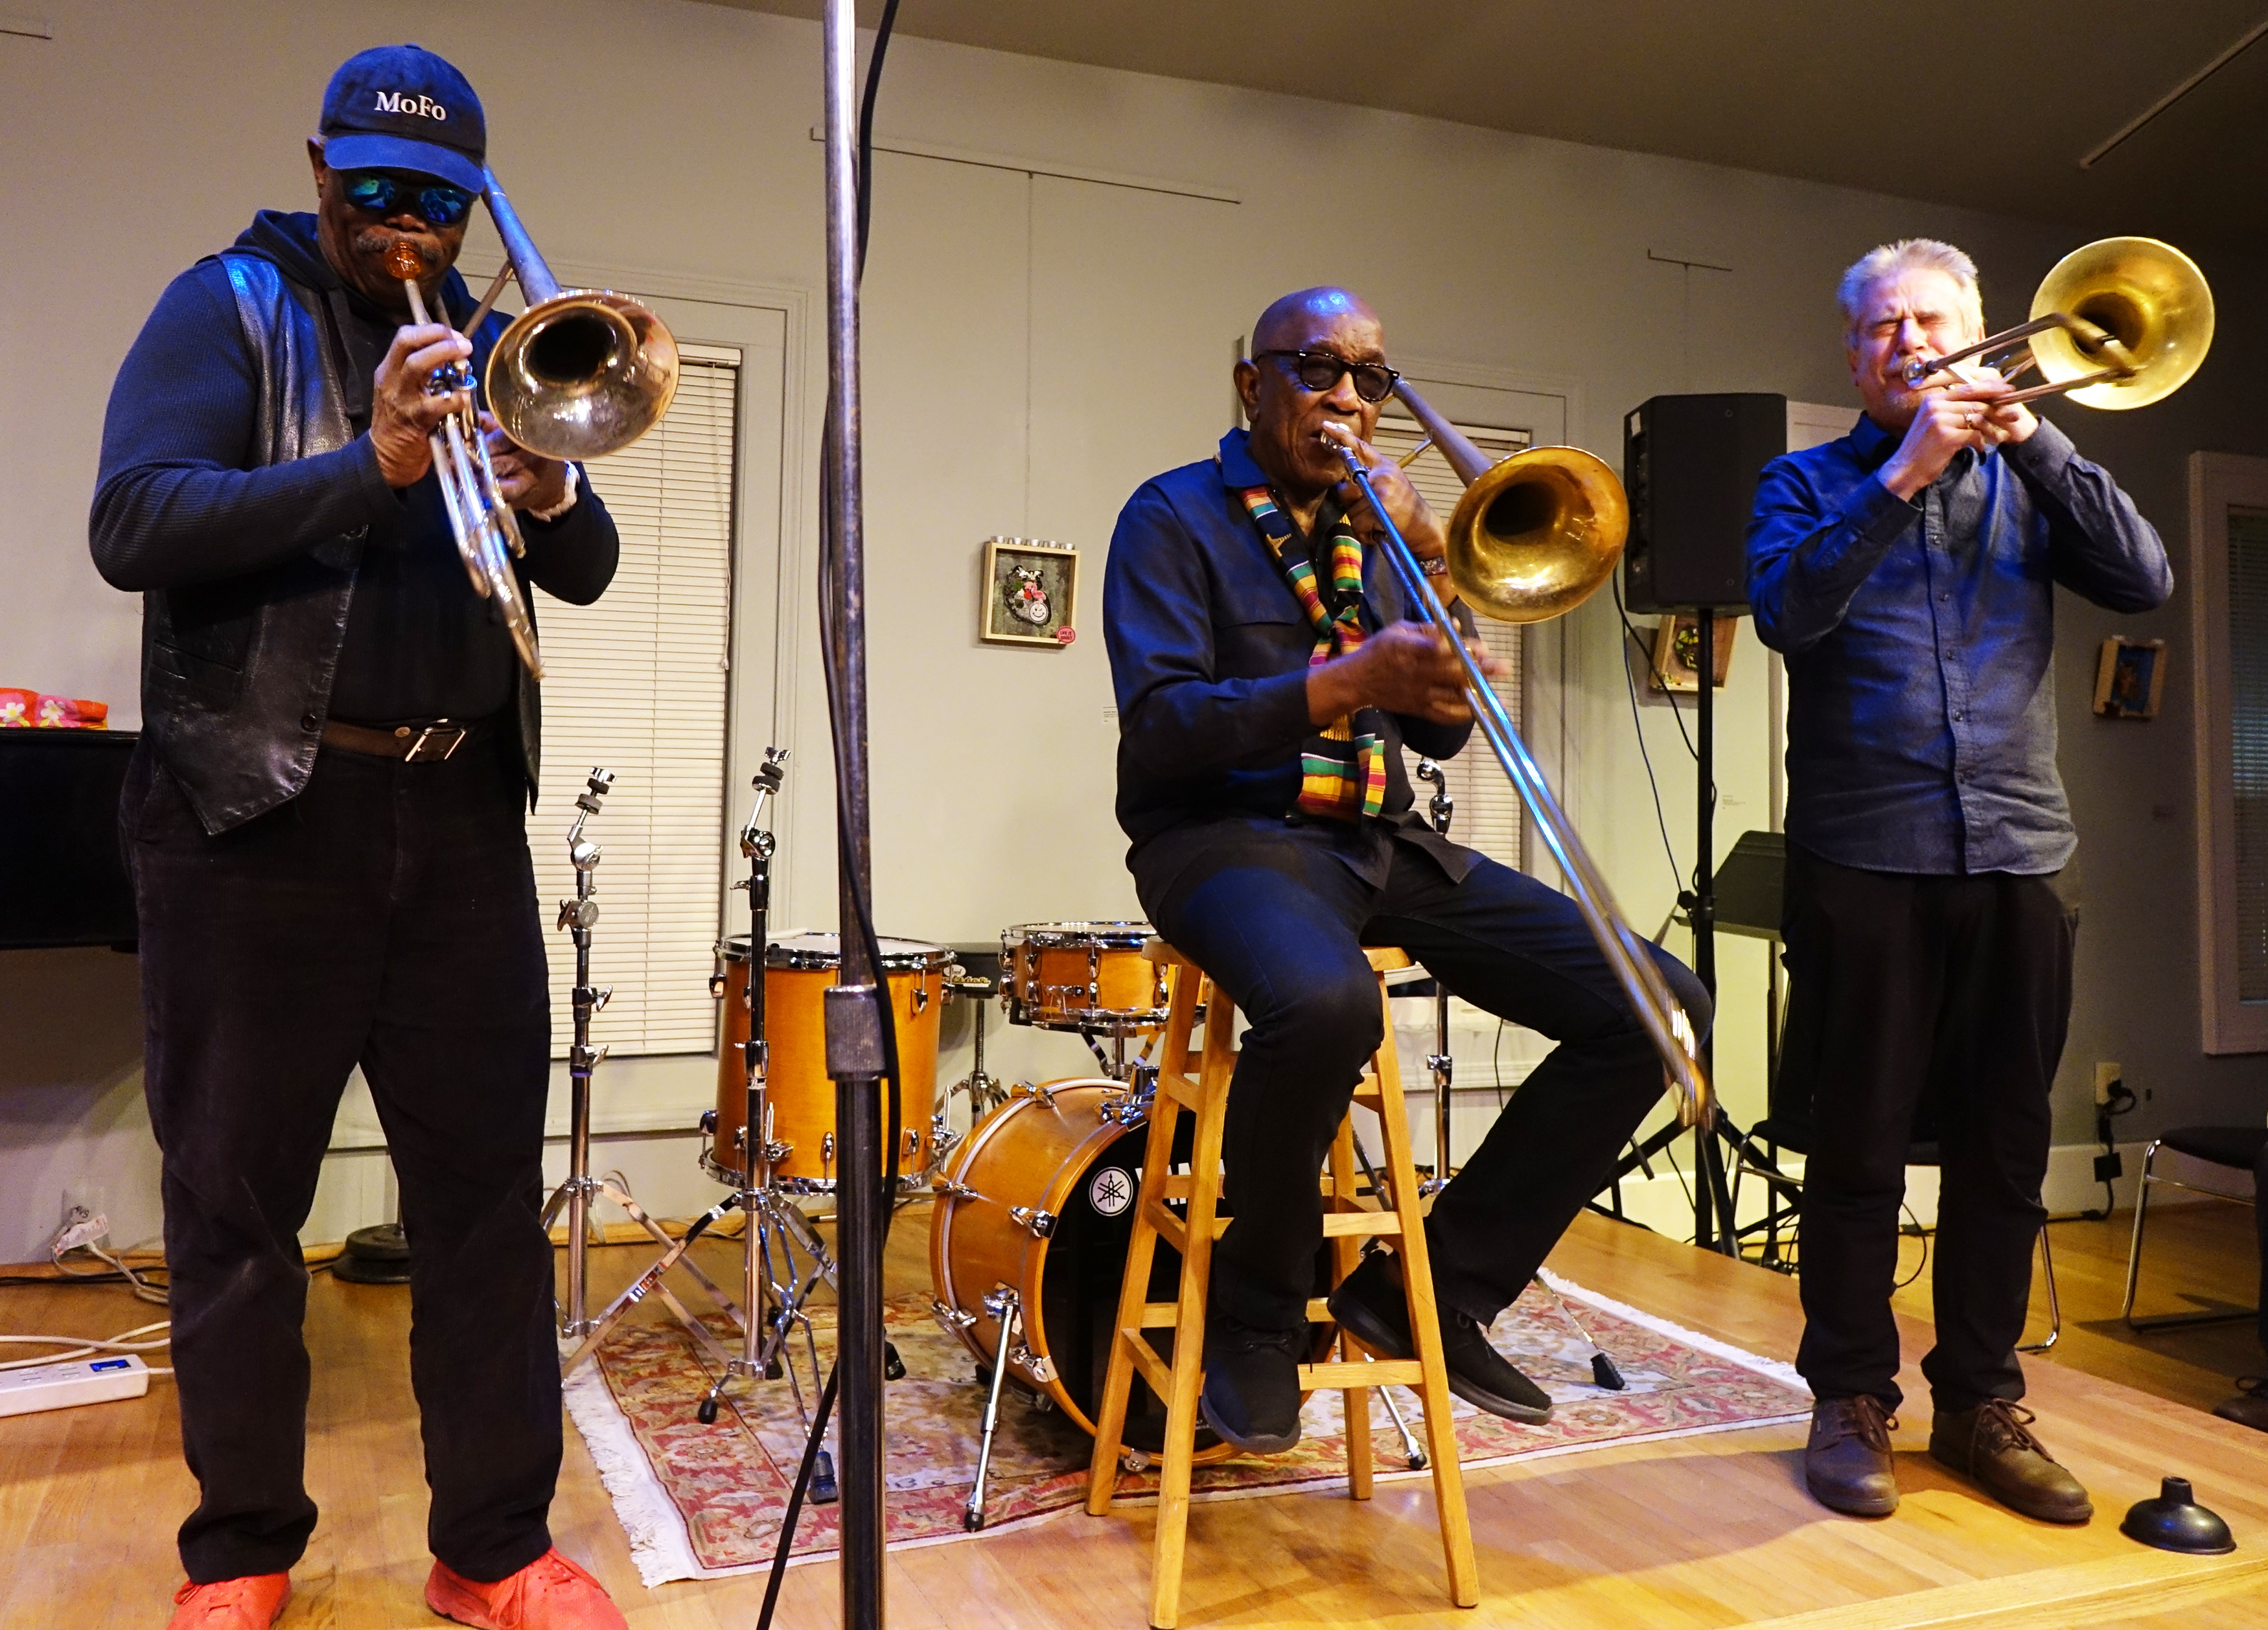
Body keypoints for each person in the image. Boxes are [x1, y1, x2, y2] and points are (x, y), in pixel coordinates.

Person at [91, 44, 629, 1630]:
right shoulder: (224, 306)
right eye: (375, 192)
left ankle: (490, 1550)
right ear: (318, 169)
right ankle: (243, 1551)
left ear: (474, 206)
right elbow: (136, 524)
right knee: (235, 1201)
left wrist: (543, 490)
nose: (404, 229)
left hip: (460, 813)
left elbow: (583, 565)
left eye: (438, 205)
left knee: (480, 1198)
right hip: (257, 814)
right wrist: (369, 463)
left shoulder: (486, 335)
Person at [1103, 285, 1711, 1454]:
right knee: (1330, 1003)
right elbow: (1164, 731)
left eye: (1369, 380)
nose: (1346, 398)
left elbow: (1433, 734)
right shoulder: (1172, 516)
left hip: (1379, 841)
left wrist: (1432, 574)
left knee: (1661, 1007)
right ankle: (1258, 1317)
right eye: (1318, 368)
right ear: (1253, 384)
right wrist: (1346, 681)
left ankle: (1431, 1284)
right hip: (1220, 838)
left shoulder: (1378, 527)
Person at [1748, 238, 2171, 1524]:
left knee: (2004, 1144)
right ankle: (1849, 1399)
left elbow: (2142, 578)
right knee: (1858, 1145)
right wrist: (1906, 471)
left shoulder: (2035, 477)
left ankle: (1981, 1401)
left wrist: (2033, 440)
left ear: (1989, 331)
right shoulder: (1804, 479)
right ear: (1852, 350)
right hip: (1858, 854)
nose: (1911, 343)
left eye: (1932, 320)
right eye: (1882, 327)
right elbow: (1784, 613)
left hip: (2018, 851)